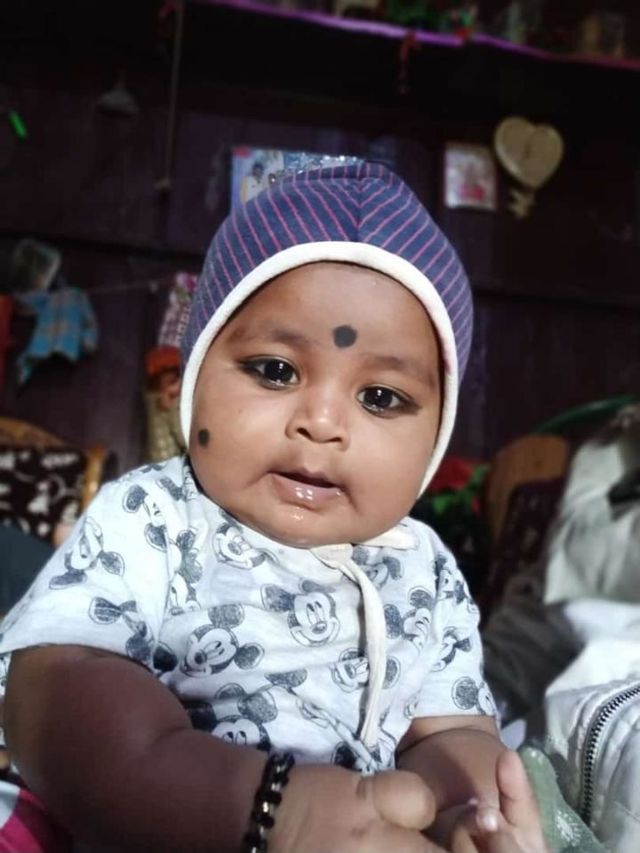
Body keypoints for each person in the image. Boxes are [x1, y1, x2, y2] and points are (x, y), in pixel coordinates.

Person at [0, 163, 548, 853]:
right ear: (194, 380)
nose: (322, 422)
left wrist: (470, 810)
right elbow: (51, 691)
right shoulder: (156, 515)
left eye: (381, 397)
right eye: (275, 370)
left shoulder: (427, 571)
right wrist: (266, 809)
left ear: (436, 437)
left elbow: (450, 731)